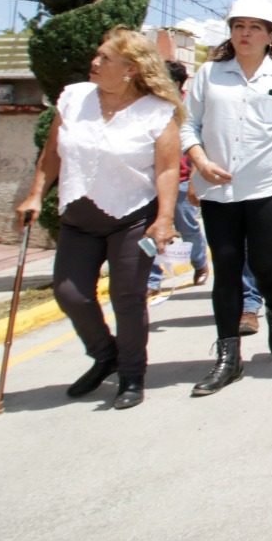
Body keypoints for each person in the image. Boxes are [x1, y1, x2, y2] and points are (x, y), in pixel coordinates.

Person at [16, 28, 181, 409]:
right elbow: (52, 153)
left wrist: (165, 218)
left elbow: (167, 170)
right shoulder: (74, 98)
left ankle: (131, 375)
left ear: (130, 70)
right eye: (97, 54)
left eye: (105, 58)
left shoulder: (157, 112)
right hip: (78, 215)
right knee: (69, 293)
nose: (94, 62)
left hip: (131, 218)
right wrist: (36, 194)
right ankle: (105, 353)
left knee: (127, 297)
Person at [180, 0, 272, 396]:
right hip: (218, 189)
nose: (246, 33)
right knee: (226, 268)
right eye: (239, 25)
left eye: (256, 27)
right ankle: (228, 357)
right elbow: (189, 126)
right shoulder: (209, 73)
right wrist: (199, 162)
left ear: (271, 36)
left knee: (266, 264)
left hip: (268, 186)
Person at [147, 60, 208, 298]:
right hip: (153, 181)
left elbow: (198, 141)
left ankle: (199, 263)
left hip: (182, 179)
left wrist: (195, 177)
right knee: (152, 230)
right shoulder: (149, 106)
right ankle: (153, 278)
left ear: (173, 83)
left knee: (187, 227)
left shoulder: (188, 108)